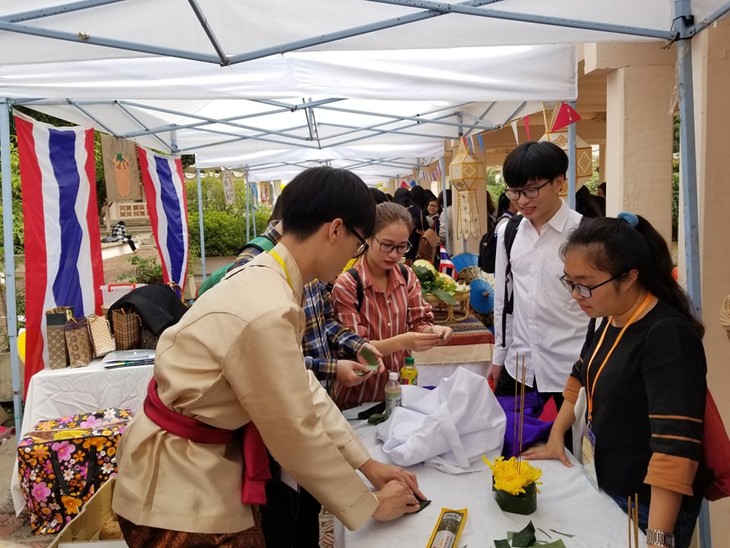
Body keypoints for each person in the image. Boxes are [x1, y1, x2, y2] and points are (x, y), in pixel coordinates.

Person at [112, 167, 423, 547]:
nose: (351, 257)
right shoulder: (267, 305)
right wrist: (368, 504)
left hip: (190, 463)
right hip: (178, 485)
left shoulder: (269, 278)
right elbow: (293, 430)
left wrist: (366, 464)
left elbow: (300, 387)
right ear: (336, 229)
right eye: (360, 243)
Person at [523, 213, 706, 548]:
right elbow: (580, 374)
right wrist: (556, 435)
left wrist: (658, 540)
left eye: (586, 283)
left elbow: (674, 448)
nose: (576, 295)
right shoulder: (608, 316)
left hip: (647, 506)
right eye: (570, 282)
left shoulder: (668, 336)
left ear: (630, 276)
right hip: (606, 484)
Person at [488, 141, 589, 452]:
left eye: (531, 190)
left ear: (559, 182)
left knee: (572, 451)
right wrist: (498, 357)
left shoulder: (584, 234)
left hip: (569, 364)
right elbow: (504, 299)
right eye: (514, 192)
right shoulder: (509, 231)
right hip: (520, 362)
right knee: (507, 443)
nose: (521, 200)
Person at [332, 202, 453, 410]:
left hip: (397, 393)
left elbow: (419, 322)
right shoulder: (348, 284)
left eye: (402, 247)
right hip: (357, 398)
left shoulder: (407, 276)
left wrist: (433, 331)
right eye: (387, 245)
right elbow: (355, 348)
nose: (394, 254)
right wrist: (403, 341)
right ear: (368, 238)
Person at [393, 187, 427, 265]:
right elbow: (425, 227)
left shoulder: (395, 210)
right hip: (416, 244)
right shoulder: (418, 210)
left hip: (398, 245)